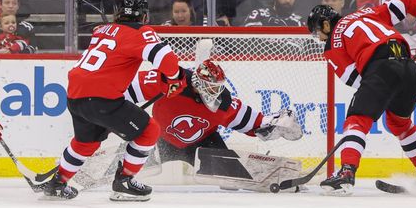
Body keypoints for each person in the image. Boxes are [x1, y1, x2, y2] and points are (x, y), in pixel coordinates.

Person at [41, 0, 186, 201]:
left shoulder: (101, 30)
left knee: (85, 142)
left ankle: (57, 183)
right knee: (149, 131)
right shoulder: (141, 31)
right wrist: (175, 78)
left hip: (75, 95)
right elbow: (166, 58)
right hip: (102, 98)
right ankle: (124, 181)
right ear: (144, 17)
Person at [307, 0, 416, 194]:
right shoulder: (367, 13)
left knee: (357, 120)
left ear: (326, 25)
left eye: (316, 31)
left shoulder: (333, 44)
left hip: (380, 70)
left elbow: (353, 78)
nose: (318, 38)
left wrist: (378, 92)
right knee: (399, 123)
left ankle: (346, 173)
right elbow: (406, 0)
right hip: (408, 68)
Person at [124, 60, 302, 172]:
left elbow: (253, 122)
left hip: (203, 144)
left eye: (218, 87)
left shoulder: (223, 103)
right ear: (198, 83)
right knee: (142, 173)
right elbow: (128, 90)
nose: (216, 92)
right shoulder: (173, 80)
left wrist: (273, 124)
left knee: (232, 176)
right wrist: (108, 104)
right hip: (160, 141)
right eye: (211, 87)